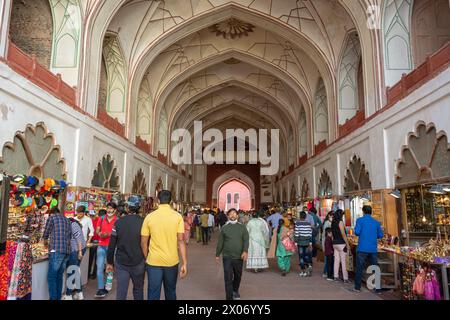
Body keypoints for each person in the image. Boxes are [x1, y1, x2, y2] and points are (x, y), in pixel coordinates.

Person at [141, 190, 187, 300]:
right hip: (171, 261)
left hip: (153, 261)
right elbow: (181, 241)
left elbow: (143, 242)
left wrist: (147, 257)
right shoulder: (177, 217)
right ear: (171, 201)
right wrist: (185, 263)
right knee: (170, 291)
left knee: (153, 292)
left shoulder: (149, 217)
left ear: (157, 200)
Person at [106, 204, 145, 300]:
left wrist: (110, 262)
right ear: (139, 209)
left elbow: (111, 245)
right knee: (138, 289)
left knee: (121, 290)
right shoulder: (144, 222)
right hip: (139, 261)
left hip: (121, 262)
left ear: (127, 209)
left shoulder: (118, 223)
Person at [215, 208, 249, 300]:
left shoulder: (242, 227)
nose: (232, 215)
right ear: (228, 216)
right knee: (228, 277)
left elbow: (246, 240)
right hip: (227, 257)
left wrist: (245, 251)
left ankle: (235, 290)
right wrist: (217, 254)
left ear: (237, 216)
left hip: (239, 256)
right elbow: (220, 242)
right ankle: (229, 297)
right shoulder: (224, 228)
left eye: (234, 213)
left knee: (238, 276)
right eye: (230, 214)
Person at [350, 205, 384, 293]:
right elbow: (380, 235)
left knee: (359, 268)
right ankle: (378, 289)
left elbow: (357, 232)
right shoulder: (376, 222)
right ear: (371, 212)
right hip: (373, 249)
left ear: (363, 212)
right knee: (375, 268)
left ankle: (357, 287)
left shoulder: (360, 220)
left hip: (362, 248)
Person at [42, 207, 72, 300]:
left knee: (51, 276)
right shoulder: (67, 220)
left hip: (56, 250)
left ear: (52, 213)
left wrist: (45, 241)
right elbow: (70, 235)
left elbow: (46, 232)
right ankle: (58, 297)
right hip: (66, 251)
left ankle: (53, 298)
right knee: (59, 276)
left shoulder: (52, 218)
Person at [94, 202, 118, 298]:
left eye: (111, 208)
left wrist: (108, 234)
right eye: (108, 208)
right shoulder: (101, 218)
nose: (109, 210)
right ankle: (100, 288)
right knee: (99, 267)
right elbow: (97, 230)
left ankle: (108, 284)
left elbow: (118, 234)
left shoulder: (117, 220)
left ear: (115, 210)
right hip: (101, 245)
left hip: (112, 247)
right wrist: (100, 234)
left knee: (110, 266)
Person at [63, 217, 87, 300]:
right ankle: (79, 293)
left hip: (77, 249)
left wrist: (80, 252)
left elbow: (79, 239)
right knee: (75, 270)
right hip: (76, 249)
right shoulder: (68, 225)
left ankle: (68, 295)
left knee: (71, 271)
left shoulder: (73, 225)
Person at [332, 209, 350, 283]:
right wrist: (347, 244)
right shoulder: (340, 222)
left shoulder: (333, 222)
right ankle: (345, 278)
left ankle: (335, 276)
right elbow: (343, 234)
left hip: (335, 243)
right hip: (341, 244)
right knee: (343, 261)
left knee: (336, 261)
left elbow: (332, 234)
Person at [294, 211, 313, 277]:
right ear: (305, 217)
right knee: (306, 256)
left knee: (301, 257)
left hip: (300, 242)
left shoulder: (297, 224)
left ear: (300, 216)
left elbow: (296, 234)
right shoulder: (308, 224)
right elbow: (310, 234)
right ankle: (309, 266)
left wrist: (295, 243)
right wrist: (310, 243)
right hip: (307, 242)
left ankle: (303, 271)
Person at [88, 209, 105, 279]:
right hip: (93, 242)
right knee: (90, 259)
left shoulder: (100, 221)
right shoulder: (91, 220)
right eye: (91, 216)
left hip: (98, 242)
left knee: (96, 260)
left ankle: (93, 274)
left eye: (93, 215)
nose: (92, 217)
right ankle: (89, 274)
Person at [322, 211, 334, 277]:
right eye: (331, 216)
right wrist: (323, 246)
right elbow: (324, 234)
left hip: (329, 243)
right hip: (327, 243)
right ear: (329, 216)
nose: (332, 217)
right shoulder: (327, 223)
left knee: (328, 259)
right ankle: (325, 272)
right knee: (327, 259)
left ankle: (326, 271)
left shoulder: (330, 222)